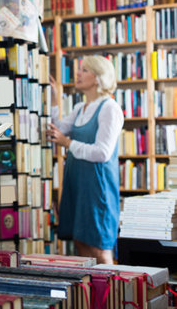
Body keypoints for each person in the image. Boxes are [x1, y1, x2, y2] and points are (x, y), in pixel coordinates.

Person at [47, 55, 124, 264]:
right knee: (80, 242)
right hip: (77, 182)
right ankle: (93, 295)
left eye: (84, 70)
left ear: (98, 78)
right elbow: (59, 130)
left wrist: (68, 143)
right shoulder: (80, 108)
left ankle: (112, 296)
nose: (77, 74)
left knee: (99, 247)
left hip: (96, 187)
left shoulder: (110, 108)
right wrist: (54, 100)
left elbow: (102, 152)